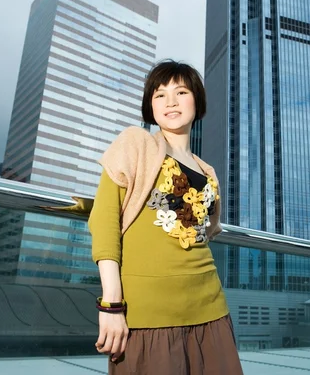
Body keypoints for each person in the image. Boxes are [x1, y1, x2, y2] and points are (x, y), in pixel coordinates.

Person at [88, 59, 243, 374]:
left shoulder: (207, 171)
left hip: (211, 308)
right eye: (160, 95)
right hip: (147, 314)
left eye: (181, 91)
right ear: (150, 106)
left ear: (196, 101)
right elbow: (104, 223)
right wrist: (111, 305)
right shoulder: (136, 144)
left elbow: (208, 230)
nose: (170, 101)